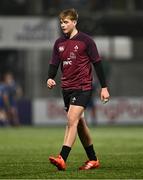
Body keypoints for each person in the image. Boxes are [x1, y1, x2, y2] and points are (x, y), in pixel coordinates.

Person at [47, 8, 110, 171]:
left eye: (66, 22)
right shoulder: (58, 43)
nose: (63, 25)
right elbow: (54, 64)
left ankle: (62, 157)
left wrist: (104, 87)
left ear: (74, 22)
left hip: (83, 87)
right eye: (61, 22)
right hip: (66, 88)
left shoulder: (86, 41)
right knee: (80, 123)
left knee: (71, 120)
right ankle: (93, 159)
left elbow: (97, 63)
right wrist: (50, 77)